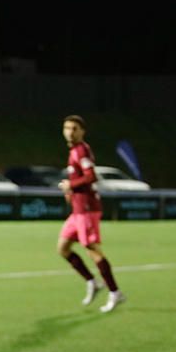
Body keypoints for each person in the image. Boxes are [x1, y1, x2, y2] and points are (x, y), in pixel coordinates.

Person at [56, 115, 126, 313]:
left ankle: (115, 292)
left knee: (92, 250)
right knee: (63, 248)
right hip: (77, 211)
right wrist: (70, 191)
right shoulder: (73, 151)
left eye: (74, 128)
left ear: (82, 131)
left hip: (87, 210)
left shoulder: (81, 150)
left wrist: (72, 185)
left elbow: (91, 176)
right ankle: (92, 282)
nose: (70, 132)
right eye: (67, 128)